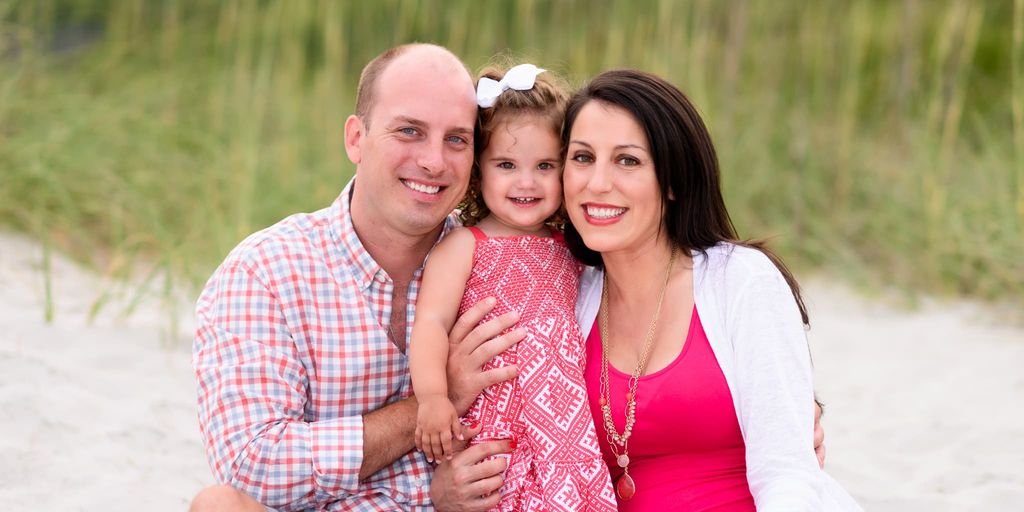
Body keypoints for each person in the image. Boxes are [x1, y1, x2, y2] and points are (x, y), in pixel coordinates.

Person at [189, 43, 828, 511]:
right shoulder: (268, 272)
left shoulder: (572, 267)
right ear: (356, 136)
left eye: (456, 139)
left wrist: (784, 404)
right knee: (218, 506)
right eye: (409, 132)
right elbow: (254, 466)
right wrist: (434, 414)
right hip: (438, 497)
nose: (433, 160)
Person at [560, 69, 862, 510]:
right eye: (582, 157)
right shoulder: (567, 294)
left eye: (628, 160)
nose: (597, 183)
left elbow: (787, 474)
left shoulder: (741, 281)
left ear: (674, 181)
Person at [408, 64, 616, 511]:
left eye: (545, 165)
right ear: (479, 172)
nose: (526, 182)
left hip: (564, 425)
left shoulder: (572, 247)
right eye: (506, 165)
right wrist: (432, 398)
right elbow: (429, 323)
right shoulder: (464, 245)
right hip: (496, 422)